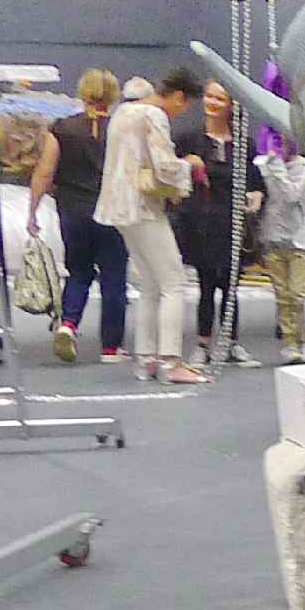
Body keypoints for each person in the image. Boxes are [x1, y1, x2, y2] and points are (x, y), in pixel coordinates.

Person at [96, 77, 205, 386]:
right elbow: (165, 166)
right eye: (185, 106)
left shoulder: (123, 111)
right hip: (142, 206)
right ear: (179, 96)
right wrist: (190, 164)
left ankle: (147, 359)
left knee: (149, 284)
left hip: (117, 206)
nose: (180, 113)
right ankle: (171, 362)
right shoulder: (154, 115)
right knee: (173, 282)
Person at [27, 68, 132, 363]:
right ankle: (111, 347)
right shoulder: (121, 129)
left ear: (82, 92)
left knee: (79, 272)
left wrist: (32, 212)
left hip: (72, 211)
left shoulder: (62, 128)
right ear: (113, 96)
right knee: (114, 277)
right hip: (113, 212)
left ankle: (69, 324)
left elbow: (45, 172)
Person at [178, 78, 262, 365]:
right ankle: (202, 344)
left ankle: (230, 343)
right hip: (200, 223)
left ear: (231, 106)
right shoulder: (188, 140)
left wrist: (256, 195)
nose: (212, 103)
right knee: (205, 286)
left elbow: (254, 180)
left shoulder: (244, 145)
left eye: (220, 99)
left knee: (230, 286)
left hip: (232, 224)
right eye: (209, 96)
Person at [252, 136, 305, 360]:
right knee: (282, 295)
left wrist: (276, 167)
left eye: (283, 143)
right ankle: (290, 343)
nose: (278, 147)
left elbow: (291, 195)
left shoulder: (304, 167)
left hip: (299, 240)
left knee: (299, 294)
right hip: (272, 238)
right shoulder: (265, 165)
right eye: (275, 142)